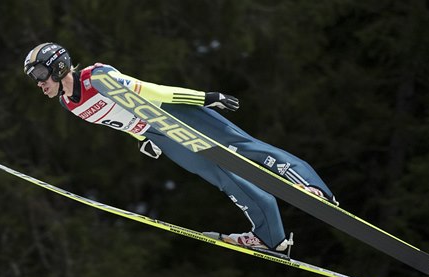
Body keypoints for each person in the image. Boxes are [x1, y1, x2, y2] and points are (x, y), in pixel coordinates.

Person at [23, 42, 338, 252]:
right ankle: (271, 236)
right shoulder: (69, 104)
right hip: (159, 134)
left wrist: (205, 98)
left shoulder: (97, 77)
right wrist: (143, 139)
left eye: (39, 74)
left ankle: (313, 188)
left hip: (174, 113)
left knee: (243, 149)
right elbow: (117, 120)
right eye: (34, 78)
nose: (38, 83)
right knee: (222, 176)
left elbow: (154, 93)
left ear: (59, 65)